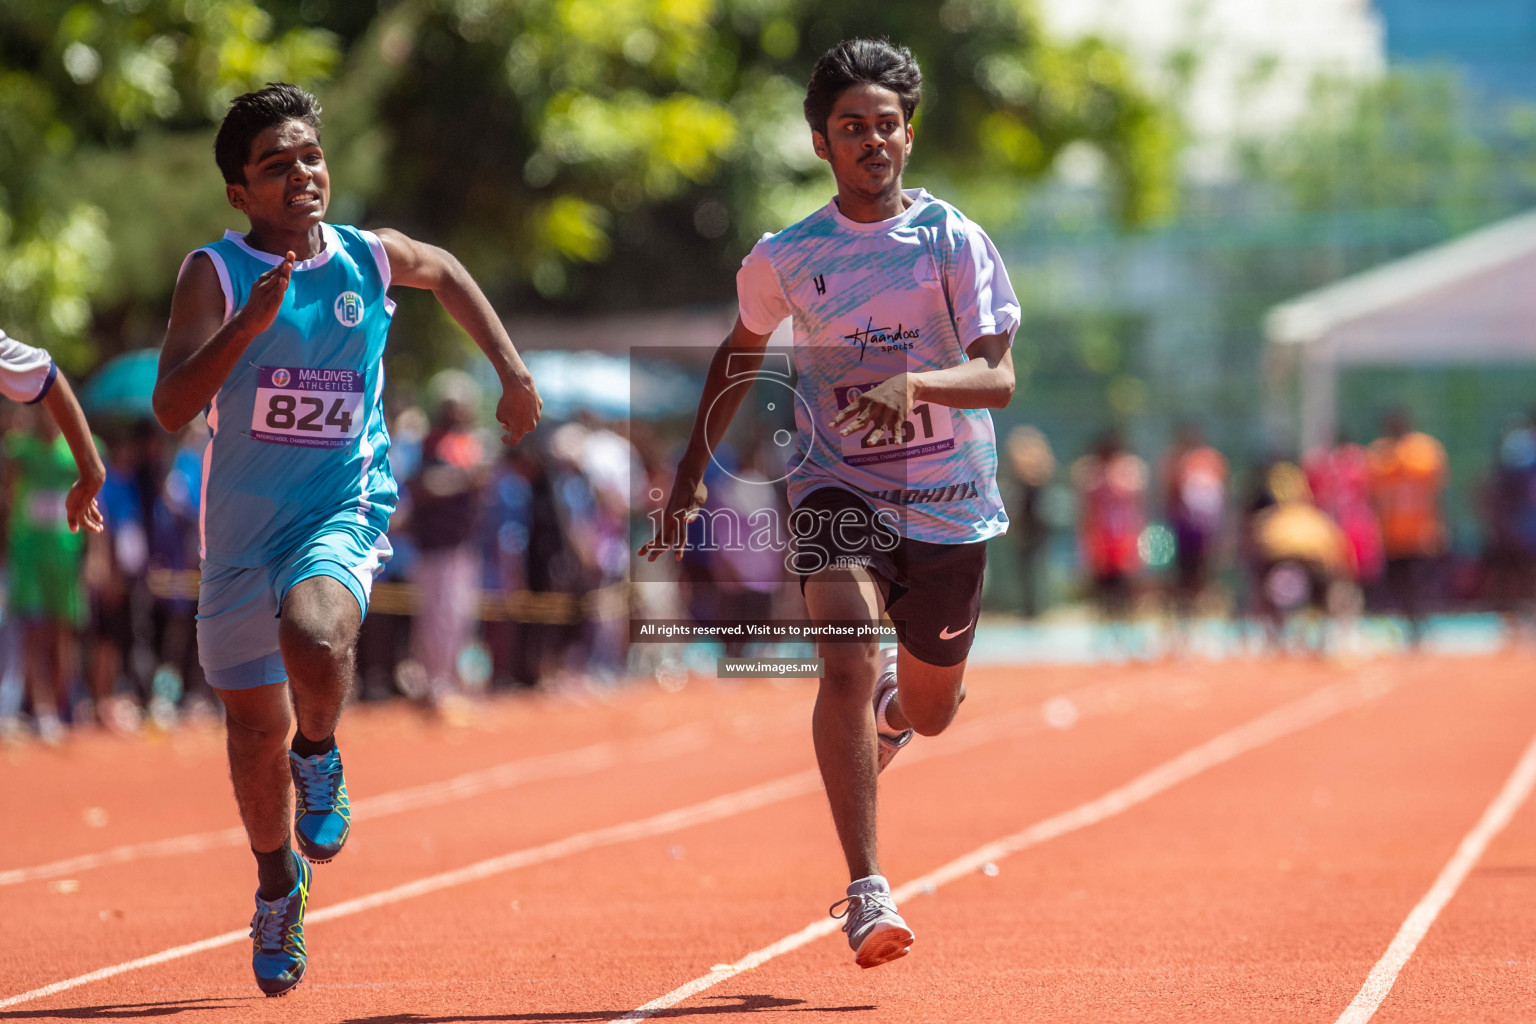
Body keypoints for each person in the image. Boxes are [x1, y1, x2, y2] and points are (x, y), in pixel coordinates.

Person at [152, 83, 541, 997]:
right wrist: (247, 327)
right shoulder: (212, 272)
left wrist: (512, 372)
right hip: (243, 531)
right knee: (251, 730)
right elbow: (172, 406)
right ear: (239, 194)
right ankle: (277, 882)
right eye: (274, 167)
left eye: (309, 158)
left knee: (316, 633)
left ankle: (319, 756)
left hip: (343, 506)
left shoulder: (367, 257)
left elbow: (442, 267)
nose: (301, 177)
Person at [641, 40, 1017, 969]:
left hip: (949, 500)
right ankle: (867, 890)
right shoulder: (788, 255)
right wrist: (691, 471)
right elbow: (740, 354)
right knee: (844, 660)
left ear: (908, 135)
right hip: (835, 486)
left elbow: (997, 378)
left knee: (930, 714)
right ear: (822, 142)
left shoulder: (952, 241)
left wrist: (917, 386)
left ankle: (898, 715)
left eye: (886, 125)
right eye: (853, 127)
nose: (872, 140)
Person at [0, 328, 106, 743]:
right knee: (32, 630)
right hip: (29, 552)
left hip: (64, 552)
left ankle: (60, 708)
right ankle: (40, 707)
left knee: (62, 631)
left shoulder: (78, 451)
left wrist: (96, 556)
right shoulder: (20, 450)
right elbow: (7, 491)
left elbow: (99, 507)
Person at [1367, 411, 1447, 647]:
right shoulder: (1379, 456)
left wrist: (1439, 525)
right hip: (1392, 535)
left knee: (1421, 584)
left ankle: (1423, 626)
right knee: (1398, 584)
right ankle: (1410, 627)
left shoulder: (1425, 452)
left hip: (1420, 533)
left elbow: (1435, 494)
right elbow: (1374, 498)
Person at [1005, 426, 1055, 618]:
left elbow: (1042, 477)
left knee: (1037, 563)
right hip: (1024, 519)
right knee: (1023, 563)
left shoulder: (1038, 460)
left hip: (1038, 517)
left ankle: (1038, 606)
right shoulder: (1020, 462)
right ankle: (1029, 606)